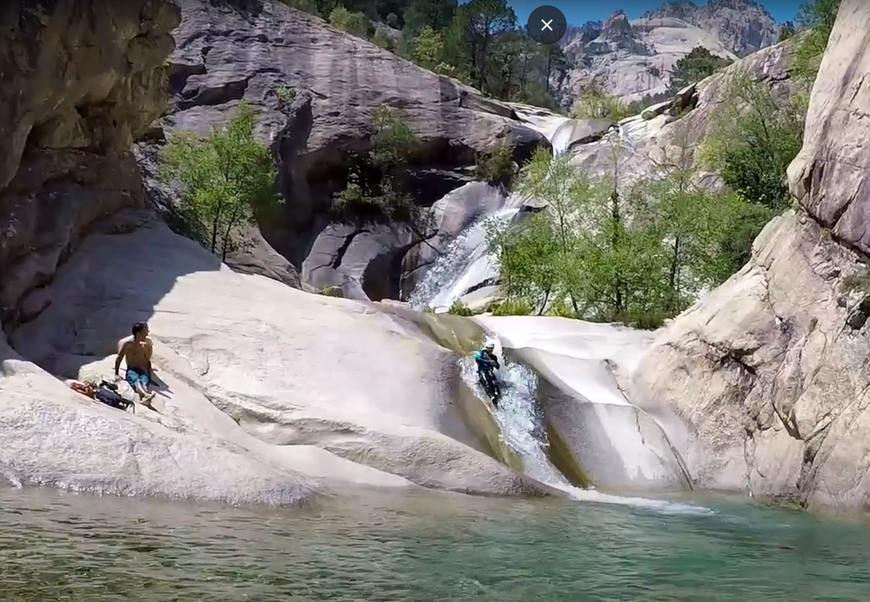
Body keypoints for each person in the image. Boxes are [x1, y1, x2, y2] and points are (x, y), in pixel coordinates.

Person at [114, 321, 156, 406]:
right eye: (145, 331)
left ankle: (145, 395)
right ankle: (145, 395)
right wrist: (116, 373)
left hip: (142, 370)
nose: (147, 333)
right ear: (138, 332)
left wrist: (150, 376)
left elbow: (147, 361)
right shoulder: (128, 344)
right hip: (131, 370)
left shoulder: (144, 345)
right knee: (136, 381)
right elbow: (119, 358)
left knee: (144, 381)